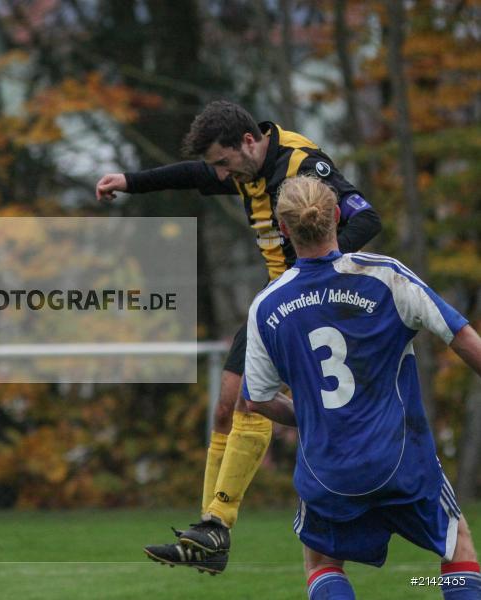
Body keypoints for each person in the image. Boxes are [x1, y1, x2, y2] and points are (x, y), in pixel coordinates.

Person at [96, 100, 382, 574]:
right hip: (273, 302)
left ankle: (222, 521)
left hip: (306, 301)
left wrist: (314, 266)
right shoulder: (243, 166)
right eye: (216, 166)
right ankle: (211, 532)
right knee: (227, 406)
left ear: (248, 142)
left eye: (223, 163)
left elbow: (368, 218)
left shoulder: (304, 165)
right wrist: (129, 181)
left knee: (254, 401)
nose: (220, 175)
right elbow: (193, 173)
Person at [242, 174, 481, 598]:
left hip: (329, 468)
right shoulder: (385, 277)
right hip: (401, 458)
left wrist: (312, 417)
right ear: (336, 216)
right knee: (456, 544)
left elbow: (257, 399)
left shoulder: (268, 305)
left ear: (284, 229)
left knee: (322, 560)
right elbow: (461, 337)